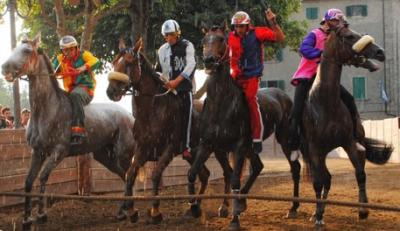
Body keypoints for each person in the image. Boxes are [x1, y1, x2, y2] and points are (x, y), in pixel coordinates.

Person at [288, 8, 365, 150]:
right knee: (296, 110)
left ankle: (356, 137)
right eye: (336, 21)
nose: (339, 24)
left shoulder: (335, 38)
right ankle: (294, 145)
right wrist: (323, 54)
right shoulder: (314, 34)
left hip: (326, 79)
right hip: (307, 77)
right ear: (327, 22)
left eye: (340, 21)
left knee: (349, 99)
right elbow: (304, 49)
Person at [228, 9, 285, 154]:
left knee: (250, 99)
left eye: (241, 26)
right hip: (235, 76)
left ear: (248, 25)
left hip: (252, 76)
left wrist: (273, 22)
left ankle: (256, 137)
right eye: (236, 26)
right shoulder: (230, 37)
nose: (238, 29)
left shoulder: (258, 33)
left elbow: (280, 38)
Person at [155, 19, 196, 160]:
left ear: (177, 33)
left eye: (171, 34)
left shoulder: (187, 45)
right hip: (168, 91)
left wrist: (176, 82)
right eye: (165, 35)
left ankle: (186, 147)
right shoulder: (161, 50)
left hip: (184, 89)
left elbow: (191, 65)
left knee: (187, 115)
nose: (168, 37)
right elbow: (159, 70)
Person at [53, 35, 101, 145]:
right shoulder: (60, 59)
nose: (68, 52)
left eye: (71, 49)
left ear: (76, 48)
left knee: (75, 96)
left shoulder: (84, 55)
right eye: (65, 50)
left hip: (86, 89)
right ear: (62, 50)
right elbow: (53, 70)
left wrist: (83, 68)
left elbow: (96, 61)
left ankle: (79, 131)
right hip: (70, 90)